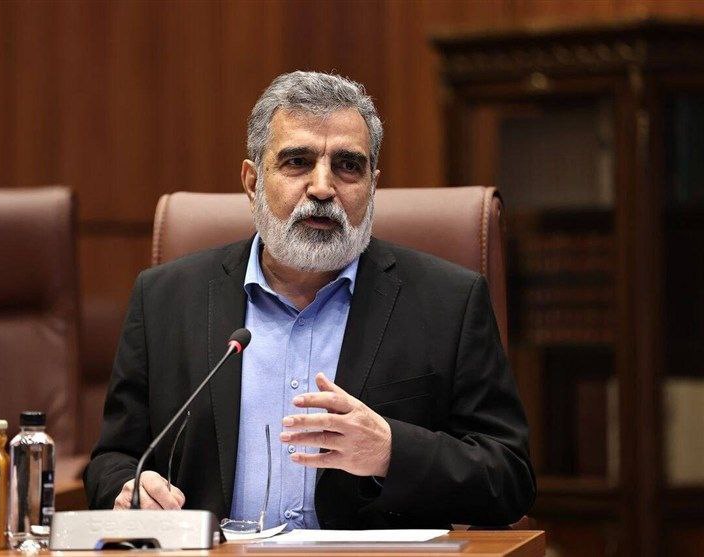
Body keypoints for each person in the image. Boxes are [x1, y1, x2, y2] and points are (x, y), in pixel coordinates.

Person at [84, 71, 535, 529]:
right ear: (252, 182)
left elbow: (509, 478)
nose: (322, 188)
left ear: (372, 185)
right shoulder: (164, 299)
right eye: (297, 162)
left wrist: (391, 452)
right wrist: (129, 491)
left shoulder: (449, 302)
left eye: (348, 165)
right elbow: (113, 460)